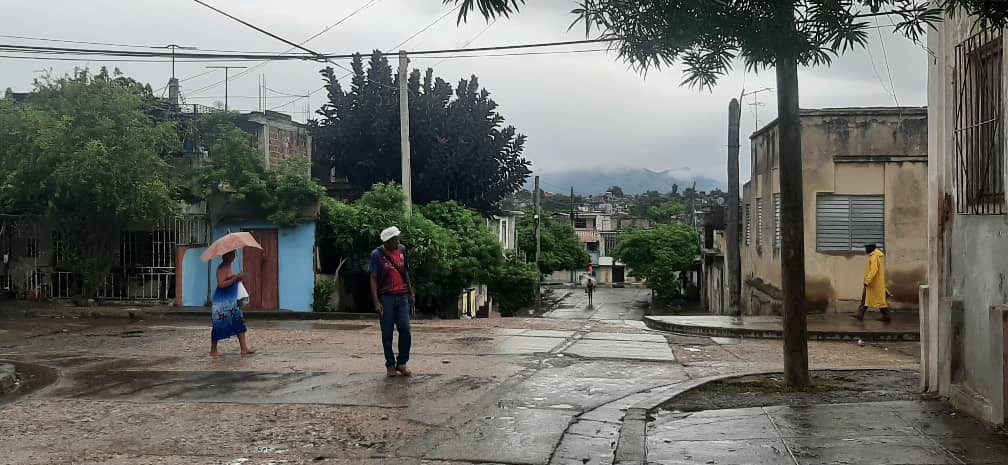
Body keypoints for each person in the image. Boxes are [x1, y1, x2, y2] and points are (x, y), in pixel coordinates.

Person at [370, 226, 415, 377]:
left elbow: (405, 271)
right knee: (387, 333)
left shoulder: (402, 250)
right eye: (394, 240)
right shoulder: (377, 255)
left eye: (398, 239)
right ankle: (390, 364)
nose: (398, 242)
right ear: (387, 242)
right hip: (386, 297)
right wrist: (376, 301)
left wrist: (410, 291)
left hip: (401, 296)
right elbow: (373, 278)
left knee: (405, 329)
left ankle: (402, 363)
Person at [210, 250, 255, 356]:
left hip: (231, 300)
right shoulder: (222, 268)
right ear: (224, 255)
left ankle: (244, 348)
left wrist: (239, 277)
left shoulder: (229, 266)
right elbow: (221, 284)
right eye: (231, 254)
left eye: (234, 254)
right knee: (219, 324)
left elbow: (232, 279)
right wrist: (235, 279)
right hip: (223, 301)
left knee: (239, 320)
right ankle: (213, 350)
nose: (233, 256)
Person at [854, 243, 891, 322]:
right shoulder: (875, 255)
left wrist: (867, 280)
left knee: (878, 300)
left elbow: (874, 269)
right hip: (874, 282)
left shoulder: (874, 256)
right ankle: (859, 314)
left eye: (866, 248)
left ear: (870, 248)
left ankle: (886, 315)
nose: (865, 250)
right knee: (868, 298)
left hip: (873, 283)